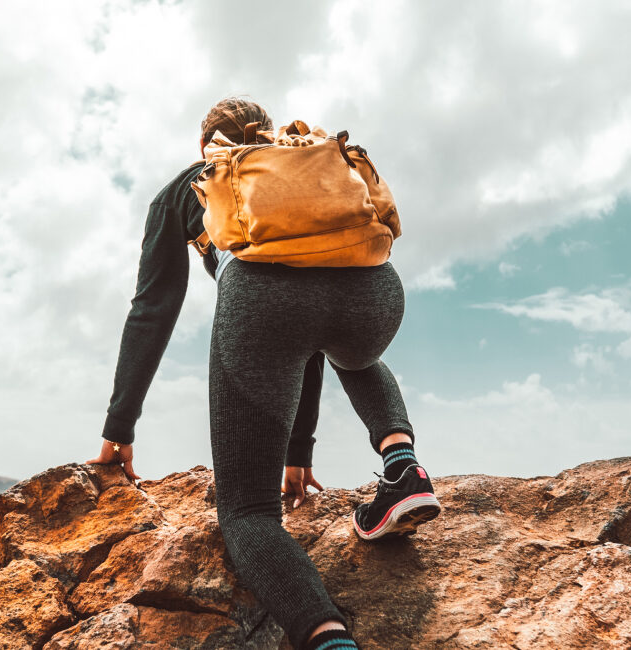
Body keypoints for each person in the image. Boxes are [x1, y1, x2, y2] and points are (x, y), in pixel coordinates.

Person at [87, 97, 437, 650]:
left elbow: (153, 309)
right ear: (267, 135)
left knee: (249, 514)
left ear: (207, 147)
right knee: (352, 350)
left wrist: (119, 426)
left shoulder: (190, 183)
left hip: (262, 304)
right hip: (375, 293)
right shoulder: (305, 167)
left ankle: (329, 640)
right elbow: (311, 336)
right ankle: (403, 467)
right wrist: (298, 450)